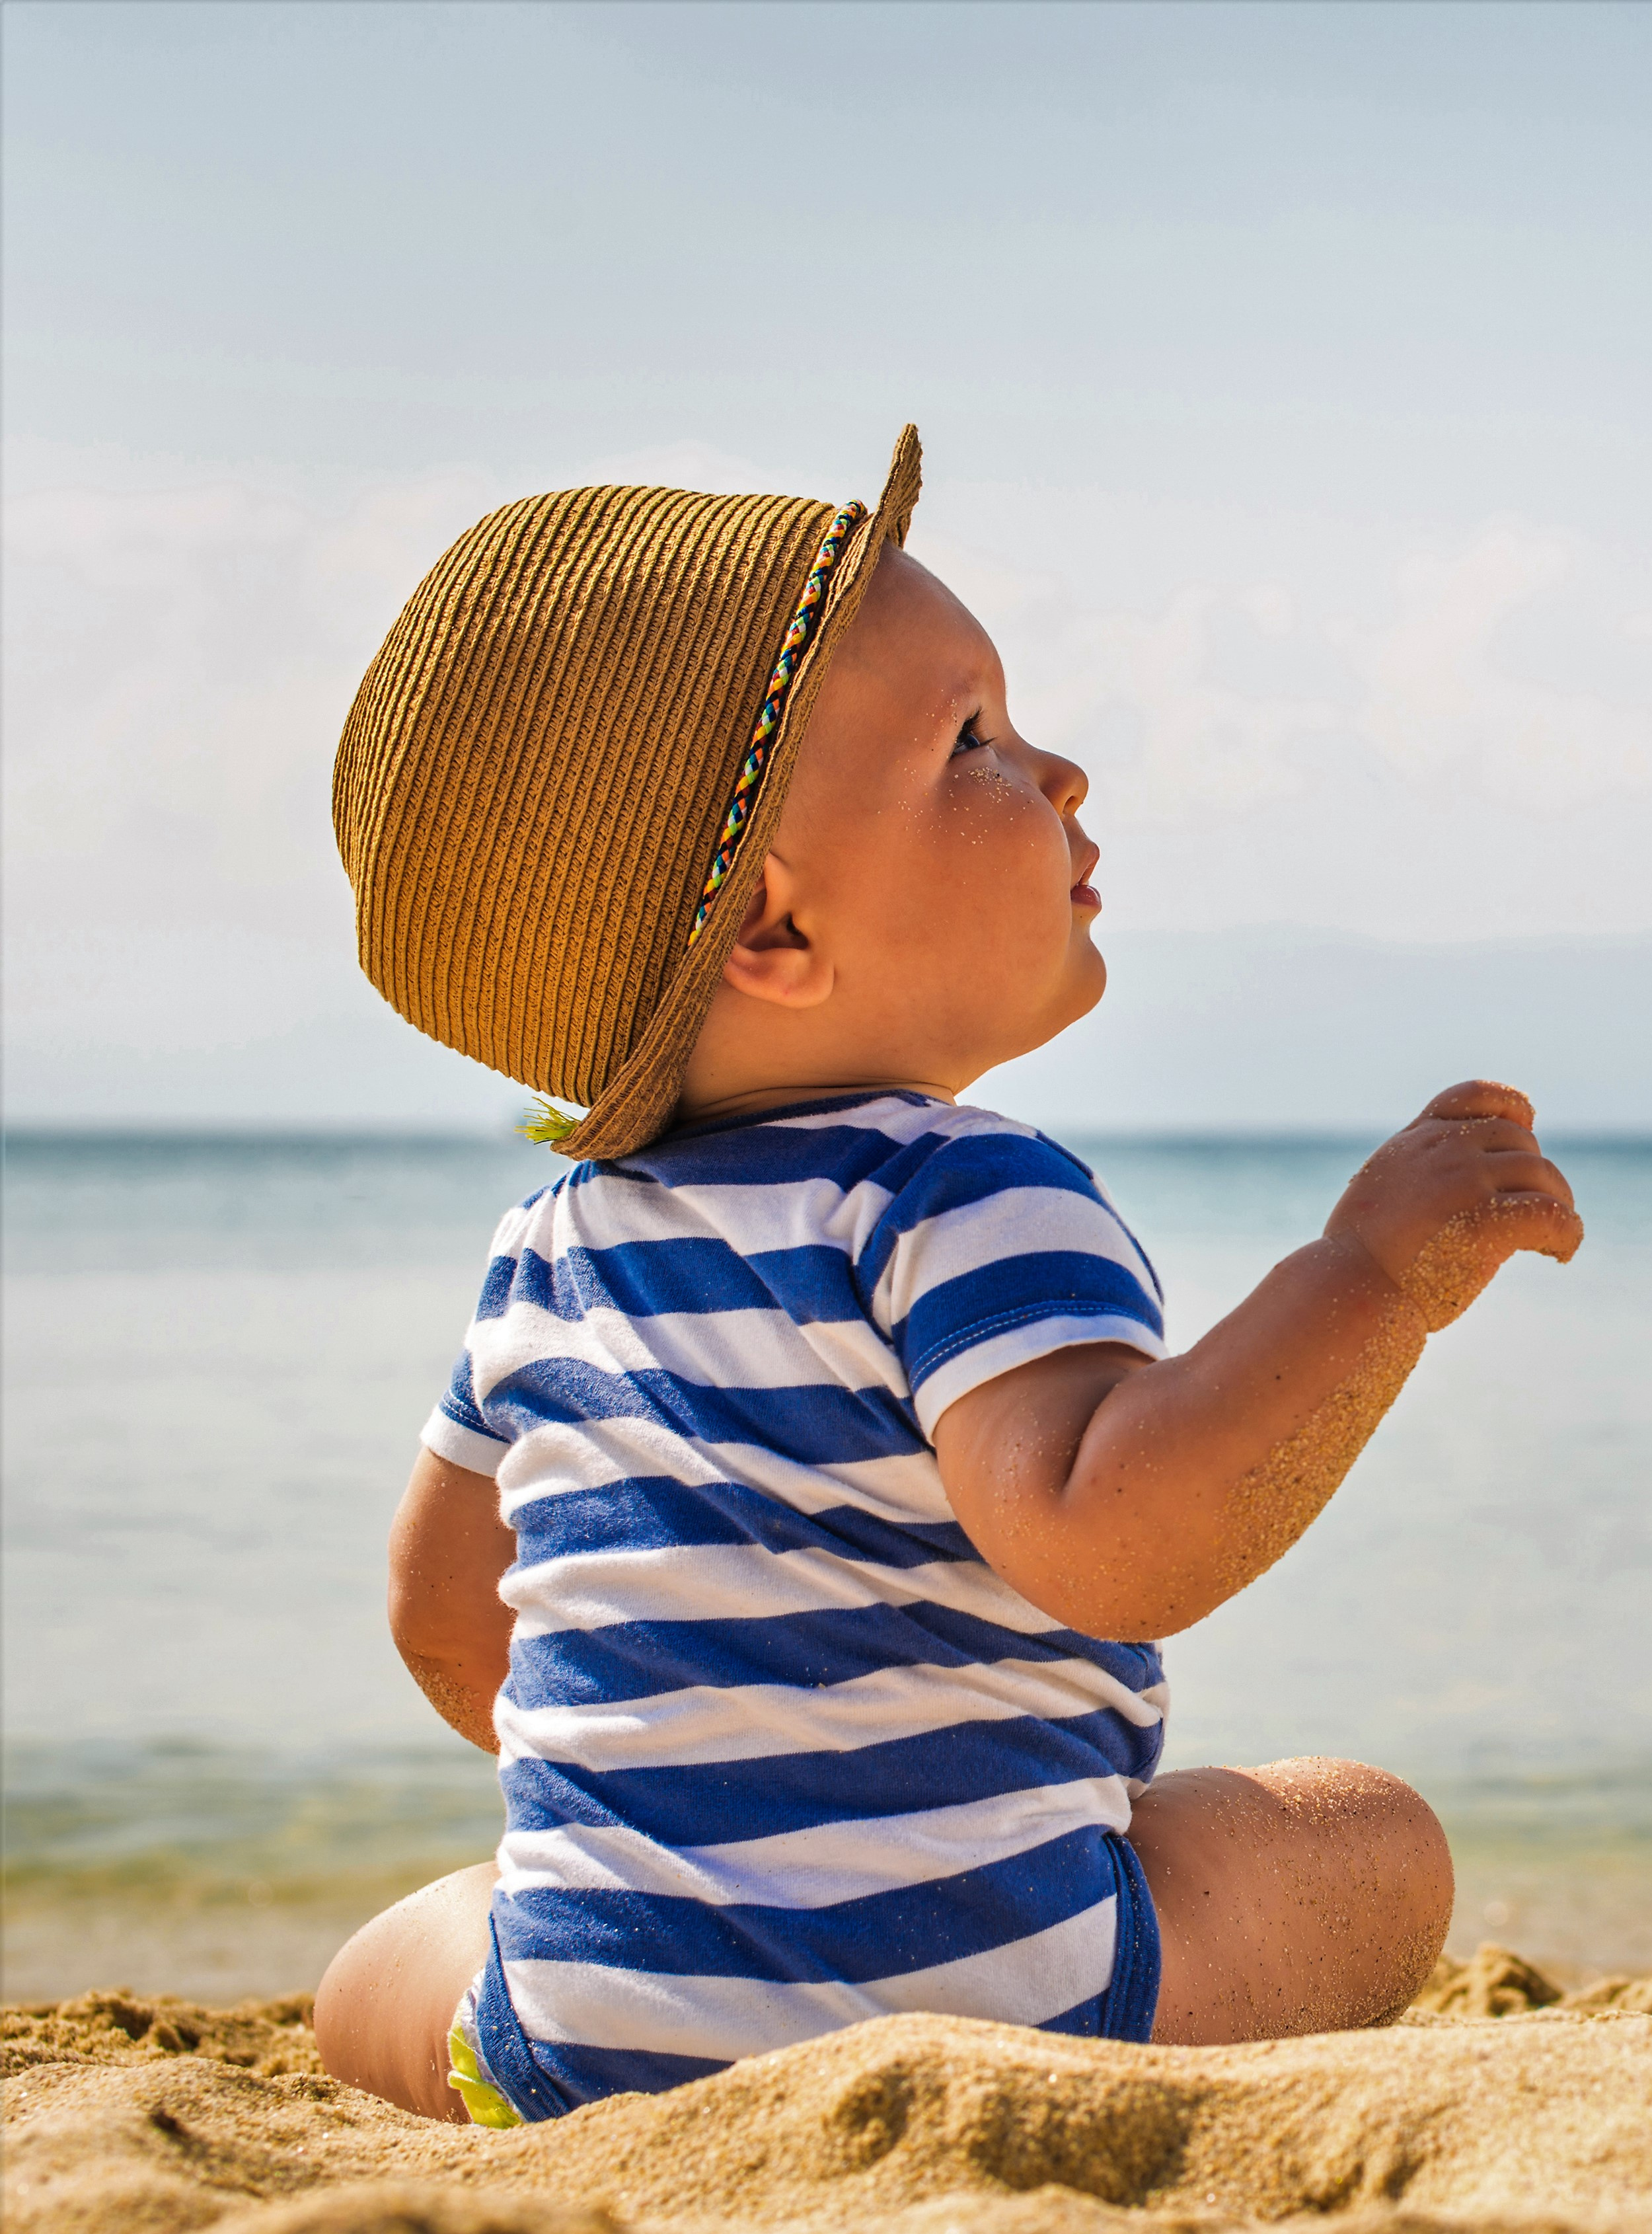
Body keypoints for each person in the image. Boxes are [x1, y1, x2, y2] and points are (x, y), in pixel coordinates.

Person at [309, 428, 1579, 2126]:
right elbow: (1116, 1531)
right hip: (1002, 2009)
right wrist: (1369, 1278)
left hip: (597, 2044)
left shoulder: (551, 1245)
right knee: (1366, 1841)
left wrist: (710, 1808)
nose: (1056, 771)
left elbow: (446, 1620)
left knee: (388, 1966)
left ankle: (568, 2018)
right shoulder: (954, 1187)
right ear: (775, 934)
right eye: (970, 740)